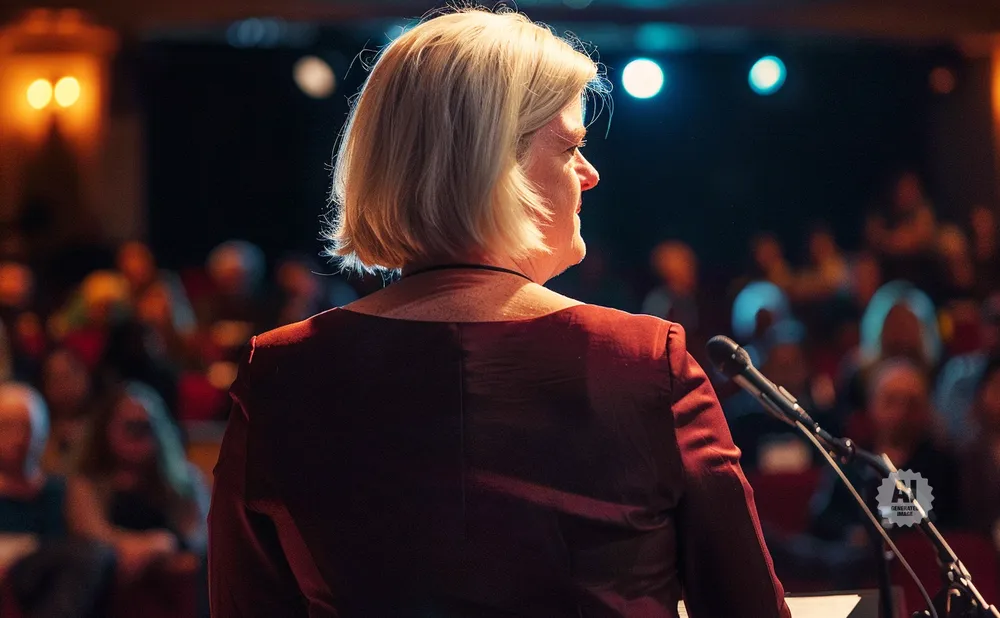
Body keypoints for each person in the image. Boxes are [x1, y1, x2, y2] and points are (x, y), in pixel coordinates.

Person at [208, 8, 790, 618]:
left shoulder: (280, 374)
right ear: (495, 165)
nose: (590, 175)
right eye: (570, 146)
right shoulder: (645, 363)